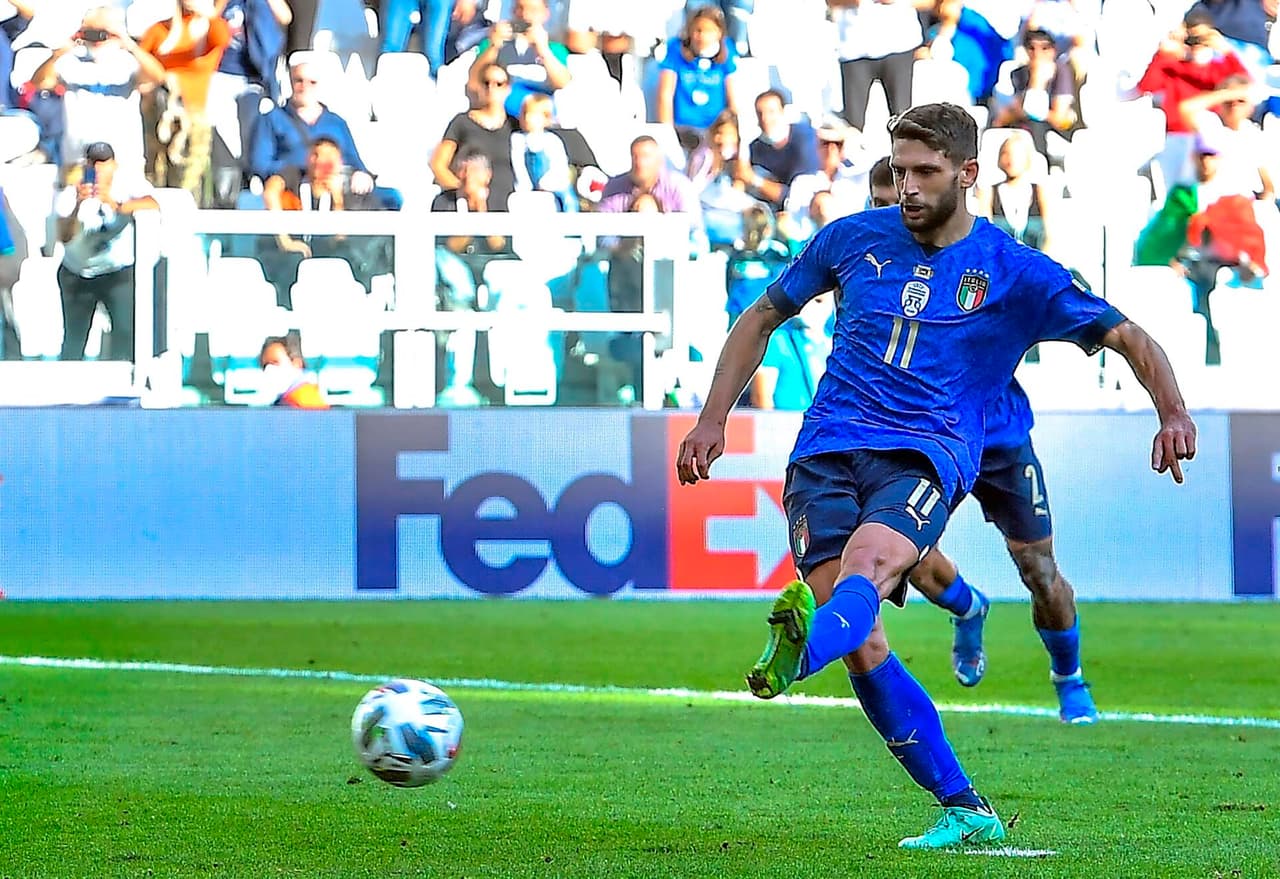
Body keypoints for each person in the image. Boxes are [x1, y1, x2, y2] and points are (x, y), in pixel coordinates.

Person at [676, 102, 1197, 850]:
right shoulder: (852, 239)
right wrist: (711, 418)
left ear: (968, 173)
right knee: (861, 638)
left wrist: (1171, 409)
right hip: (823, 449)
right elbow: (761, 316)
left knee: (873, 564)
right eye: (899, 170)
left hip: (926, 453)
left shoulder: (1015, 271)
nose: (908, 186)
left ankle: (800, 653)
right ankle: (963, 803)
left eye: (925, 172)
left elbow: (1125, 333)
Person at [869, 157, 1098, 723]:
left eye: (894, 198)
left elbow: (1059, 296)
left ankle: (1069, 676)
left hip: (997, 437)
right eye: (878, 202)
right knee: (905, 553)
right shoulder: (868, 271)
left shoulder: (977, 259)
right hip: (921, 436)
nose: (890, 211)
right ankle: (968, 608)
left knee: (1040, 573)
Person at [54, 140, 159, 361]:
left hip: (117, 271)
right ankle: (66, 389)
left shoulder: (127, 184)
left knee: (127, 334)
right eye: (94, 163)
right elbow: (64, 236)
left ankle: (123, 388)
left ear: (114, 164)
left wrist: (116, 205)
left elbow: (154, 204)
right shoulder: (72, 189)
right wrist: (78, 204)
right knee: (74, 340)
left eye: (104, 163)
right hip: (79, 273)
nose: (99, 169)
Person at [139, 0, 232, 201]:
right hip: (159, 114)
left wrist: (206, 11)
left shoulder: (209, 30)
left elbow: (223, 38)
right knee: (155, 173)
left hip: (193, 115)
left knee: (187, 179)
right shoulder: (160, 30)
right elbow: (140, 63)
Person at [430, 62, 518, 211]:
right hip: (467, 205)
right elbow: (438, 164)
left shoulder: (514, 126)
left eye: (499, 84)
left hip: (506, 205)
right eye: (486, 82)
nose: (491, 88)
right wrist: (464, 190)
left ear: (508, 89)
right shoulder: (462, 122)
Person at [468, 0, 571, 118]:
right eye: (520, 8)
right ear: (513, 11)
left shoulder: (555, 49)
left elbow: (562, 83)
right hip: (499, 119)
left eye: (533, 10)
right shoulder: (494, 43)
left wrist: (543, 50)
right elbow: (474, 81)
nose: (525, 15)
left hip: (538, 121)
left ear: (545, 14)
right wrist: (493, 46)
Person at [656, 5, 738, 150]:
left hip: (715, 131)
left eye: (709, 31)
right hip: (684, 130)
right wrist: (667, 135)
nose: (702, 36)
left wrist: (733, 131)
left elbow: (733, 96)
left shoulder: (727, 50)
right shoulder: (676, 49)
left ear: (719, 33)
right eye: (698, 30)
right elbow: (665, 95)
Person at [259, 333, 329, 407]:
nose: (270, 369)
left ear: (296, 363)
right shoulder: (284, 401)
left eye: (275, 362)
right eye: (265, 365)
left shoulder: (307, 398)